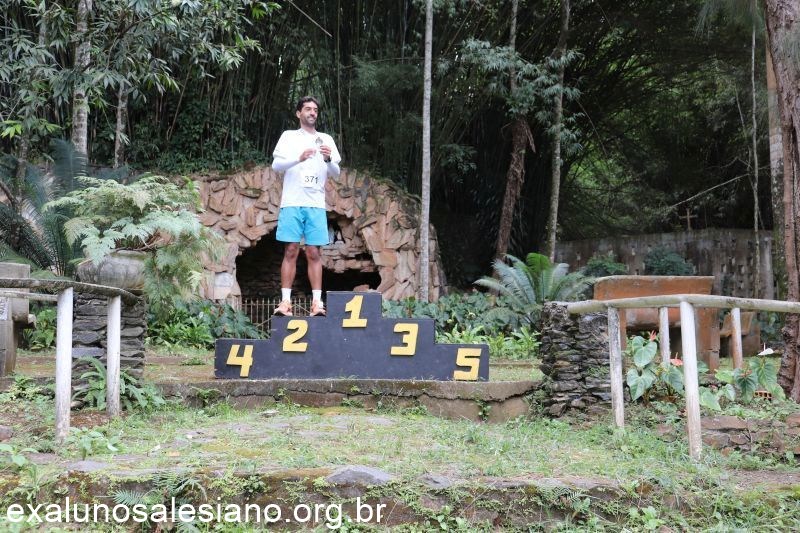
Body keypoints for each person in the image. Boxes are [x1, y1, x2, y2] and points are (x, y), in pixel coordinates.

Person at [271, 96, 341, 317]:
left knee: (313, 252)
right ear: (298, 113)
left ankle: (317, 304)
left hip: (315, 204)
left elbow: (336, 173)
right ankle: (285, 302)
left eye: (315, 110)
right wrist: (298, 158)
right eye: (308, 109)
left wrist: (328, 160)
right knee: (291, 250)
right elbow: (276, 166)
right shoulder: (289, 137)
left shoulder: (326, 139)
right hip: (292, 202)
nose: (312, 112)